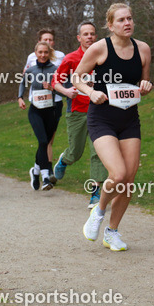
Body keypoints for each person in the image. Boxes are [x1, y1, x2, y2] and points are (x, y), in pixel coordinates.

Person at [72, 3, 153, 251]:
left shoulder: (143, 49)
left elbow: (144, 81)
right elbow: (77, 77)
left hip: (129, 119)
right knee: (117, 174)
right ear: (110, 25)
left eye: (129, 18)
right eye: (120, 20)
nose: (127, 23)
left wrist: (146, 86)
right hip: (102, 117)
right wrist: (90, 92)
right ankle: (99, 211)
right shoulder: (99, 48)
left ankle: (112, 232)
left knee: (128, 180)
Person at [52, 21, 108, 206]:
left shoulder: (104, 56)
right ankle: (64, 160)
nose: (90, 37)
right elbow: (56, 82)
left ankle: (95, 193)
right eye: (86, 34)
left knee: (97, 152)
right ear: (79, 38)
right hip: (77, 111)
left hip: (99, 110)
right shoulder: (71, 59)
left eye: (92, 33)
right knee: (76, 152)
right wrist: (67, 92)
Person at [18, 41, 61, 190]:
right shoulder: (31, 70)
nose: (43, 55)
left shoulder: (55, 70)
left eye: (46, 52)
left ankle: (35, 171)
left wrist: (52, 88)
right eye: (40, 52)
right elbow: (22, 83)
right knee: (43, 141)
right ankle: (45, 177)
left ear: (49, 53)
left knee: (44, 143)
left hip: (50, 111)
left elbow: (63, 90)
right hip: (35, 110)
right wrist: (20, 98)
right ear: (35, 53)